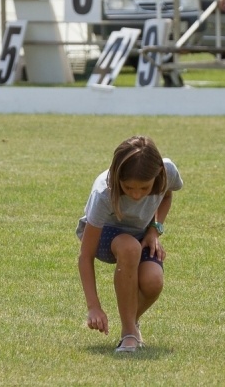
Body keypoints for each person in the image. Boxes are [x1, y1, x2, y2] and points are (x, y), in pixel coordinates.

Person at [77, 135, 183, 352]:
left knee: (153, 282)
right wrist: (93, 307)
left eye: (144, 188)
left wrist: (154, 230)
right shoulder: (104, 192)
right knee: (129, 248)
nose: (136, 195)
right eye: (128, 187)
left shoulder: (167, 171)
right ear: (117, 177)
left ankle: (131, 322)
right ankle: (129, 334)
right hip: (105, 235)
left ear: (158, 174)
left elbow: (167, 196)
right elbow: (85, 256)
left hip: (141, 234)